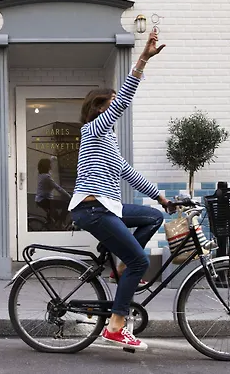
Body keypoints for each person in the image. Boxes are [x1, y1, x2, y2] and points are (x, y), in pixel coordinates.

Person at [68, 31, 174, 351]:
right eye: (112, 103)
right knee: (141, 261)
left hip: (107, 207)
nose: (117, 107)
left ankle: (123, 267)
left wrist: (160, 196)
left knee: (153, 217)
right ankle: (115, 327)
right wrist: (142, 60)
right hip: (93, 208)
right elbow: (125, 100)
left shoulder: (108, 139)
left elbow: (126, 172)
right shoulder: (93, 129)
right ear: (99, 108)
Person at [35, 157, 71, 229]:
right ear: (47, 166)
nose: (51, 165)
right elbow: (58, 188)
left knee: (55, 214)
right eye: (50, 164)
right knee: (67, 204)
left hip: (39, 200)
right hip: (44, 200)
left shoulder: (40, 174)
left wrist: (51, 159)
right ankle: (61, 223)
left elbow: (44, 164)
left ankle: (53, 225)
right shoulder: (47, 177)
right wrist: (69, 196)